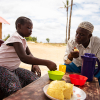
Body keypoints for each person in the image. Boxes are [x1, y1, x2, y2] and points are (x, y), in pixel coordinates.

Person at [0, 16, 57, 98]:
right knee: (15, 89)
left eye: (31, 28)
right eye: (28, 28)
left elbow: (29, 54)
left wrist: (34, 64)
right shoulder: (15, 38)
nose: (31, 31)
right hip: (1, 68)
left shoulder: (23, 40)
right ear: (19, 26)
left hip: (13, 69)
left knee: (34, 79)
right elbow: (24, 58)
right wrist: (47, 62)